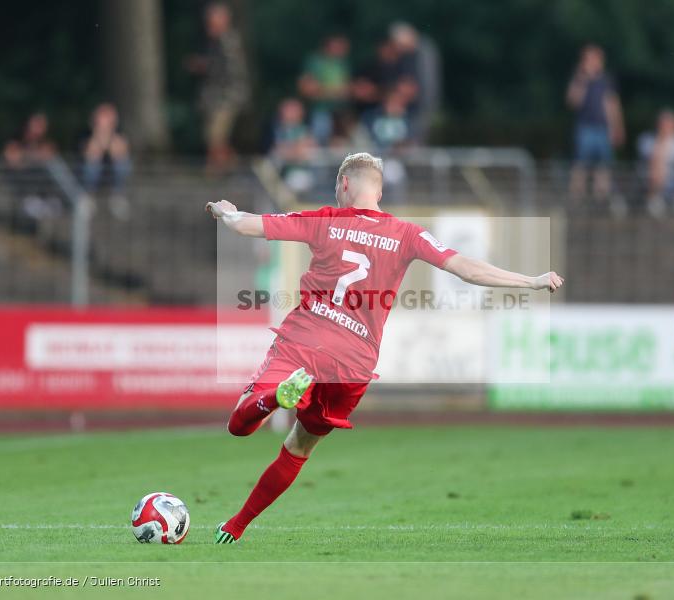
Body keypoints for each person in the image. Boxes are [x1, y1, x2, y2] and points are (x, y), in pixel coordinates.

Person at [205, 152, 564, 543]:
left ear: (344, 184)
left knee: (240, 426)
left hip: (304, 343)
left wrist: (226, 212)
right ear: (379, 188)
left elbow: (245, 226)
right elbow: (465, 267)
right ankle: (236, 525)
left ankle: (276, 396)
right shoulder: (407, 233)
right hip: (355, 363)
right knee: (299, 447)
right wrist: (531, 281)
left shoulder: (323, 219)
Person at [187, 2, 251, 173]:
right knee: (213, 136)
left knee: (215, 135)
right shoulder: (214, 42)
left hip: (227, 97)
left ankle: (218, 169)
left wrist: (203, 65)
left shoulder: (228, 41)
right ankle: (229, 167)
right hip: (217, 98)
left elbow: (229, 69)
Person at [566, 44, 625, 212]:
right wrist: (582, 79)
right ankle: (576, 201)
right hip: (585, 128)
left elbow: (613, 105)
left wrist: (617, 127)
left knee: (604, 166)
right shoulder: (579, 79)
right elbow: (573, 102)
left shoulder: (606, 80)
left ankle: (601, 201)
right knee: (580, 165)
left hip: (603, 128)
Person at [298, 35, 351, 146]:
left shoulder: (342, 63)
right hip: (320, 109)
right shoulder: (315, 62)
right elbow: (307, 88)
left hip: (341, 110)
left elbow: (346, 88)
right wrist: (333, 92)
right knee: (319, 138)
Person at [81, 103, 132, 219]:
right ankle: (89, 196)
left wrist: (109, 136)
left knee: (122, 164)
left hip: (111, 173)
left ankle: (117, 197)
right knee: (92, 165)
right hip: (94, 174)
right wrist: (98, 135)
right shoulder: (85, 134)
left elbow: (119, 154)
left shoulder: (120, 134)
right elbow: (91, 154)